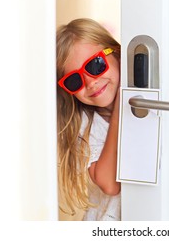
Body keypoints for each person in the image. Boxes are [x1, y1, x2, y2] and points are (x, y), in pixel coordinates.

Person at [56, 18, 121, 221]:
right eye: (74, 80)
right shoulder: (84, 123)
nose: (91, 83)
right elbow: (110, 184)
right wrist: (121, 106)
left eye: (95, 65)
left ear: (116, 53)